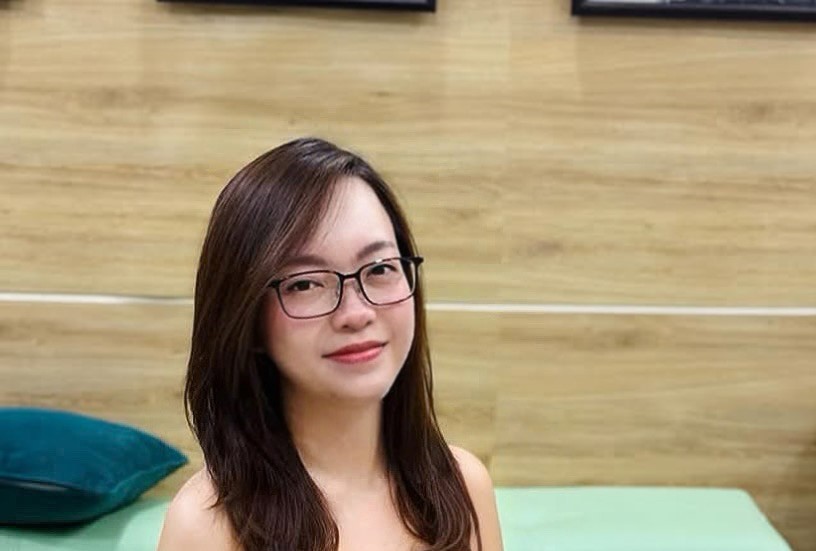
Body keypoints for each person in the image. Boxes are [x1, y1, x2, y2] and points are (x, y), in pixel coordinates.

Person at [156, 137, 503, 551]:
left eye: (380, 268)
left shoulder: (464, 486)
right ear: (248, 318)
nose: (356, 313)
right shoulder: (206, 526)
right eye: (305, 284)